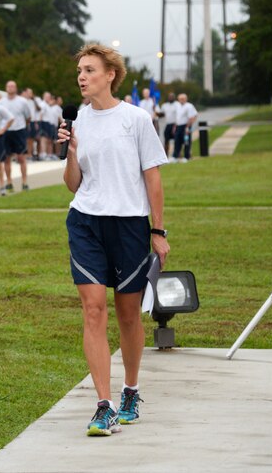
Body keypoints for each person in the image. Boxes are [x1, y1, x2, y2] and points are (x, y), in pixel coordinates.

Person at [59, 43, 169, 436]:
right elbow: (73, 185)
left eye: (89, 70)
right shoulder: (78, 122)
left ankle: (130, 391)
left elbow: (152, 177)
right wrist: (70, 152)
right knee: (93, 311)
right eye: (79, 71)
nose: (82, 77)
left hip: (129, 224)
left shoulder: (136, 119)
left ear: (110, 75)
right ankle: (102, 405)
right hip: (86, 221)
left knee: (127, 314)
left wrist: (157, 230)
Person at [0, 81, 33, 192]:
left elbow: (28, 117)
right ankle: (9, 182)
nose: (10, 88)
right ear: (6, 88)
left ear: (16, 88)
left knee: (21, 157)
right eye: (8, 86)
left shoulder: (22, 101)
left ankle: (24, 182)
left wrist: (22, 126)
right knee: (6, 158)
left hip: (19, 130)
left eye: (12, 86)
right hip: (6, 131)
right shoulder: (1, 102)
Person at [171, 93, 197, 163]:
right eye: (180, 99)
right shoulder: (178, 106)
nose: (181, 100)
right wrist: (175, 126)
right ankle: (175, 157)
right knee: (177, 141)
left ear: (186, 99)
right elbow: (177, 117)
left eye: (183, 99)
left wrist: (188, 127)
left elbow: (192, 117)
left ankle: (186, 157)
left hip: (186, 126)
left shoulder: (189, 106)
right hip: (178, 126)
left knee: (186, 142)